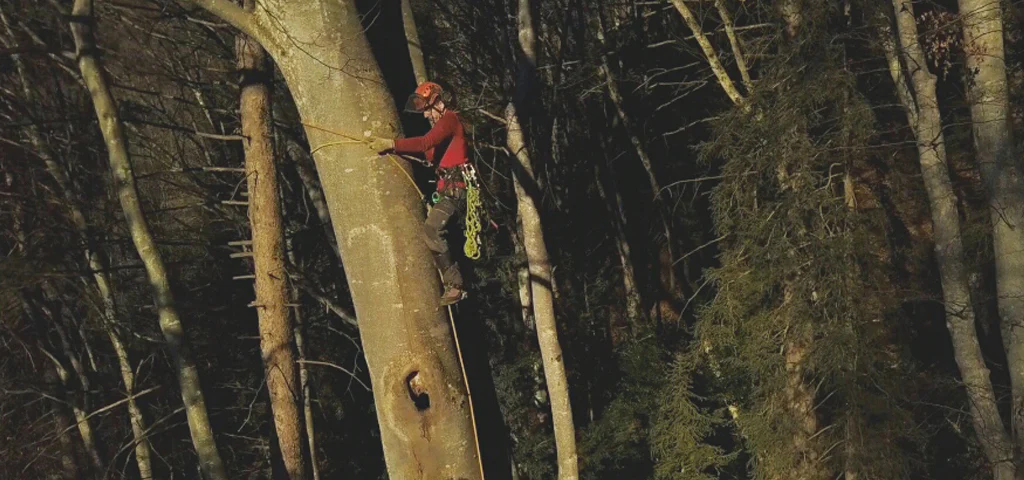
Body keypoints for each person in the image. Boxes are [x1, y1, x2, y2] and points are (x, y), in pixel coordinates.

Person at [369, 81, 470, 306]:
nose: (425, 116)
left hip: (456, 191)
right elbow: (427, 152)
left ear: (437, 102)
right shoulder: (441, 131)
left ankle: (455, 285)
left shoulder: (450, 119)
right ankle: (455, 281)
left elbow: (424, 143)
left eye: (426, 110)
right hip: (446, 191)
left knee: (432, 229)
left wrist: (391, 143)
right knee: (440, 235)